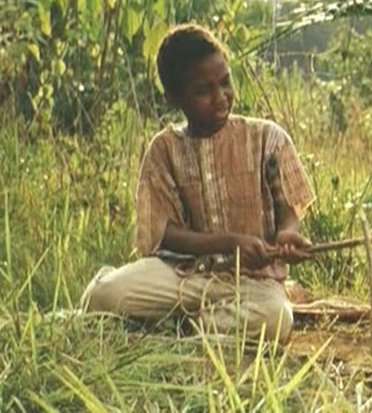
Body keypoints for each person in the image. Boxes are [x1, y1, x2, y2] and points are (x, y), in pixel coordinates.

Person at [80, 23, 315, 343]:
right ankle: (200, 324)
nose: (220, 97)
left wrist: (287, 234)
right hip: (182, 275)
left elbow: (287, 208)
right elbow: (164, 233)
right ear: (173, 98)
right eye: (203, 90)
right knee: (102, 296)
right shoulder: (164, 149)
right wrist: (227, 243)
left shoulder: (267, 138)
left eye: (225, 82)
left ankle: (180, 328)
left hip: (253, 283)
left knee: (275, 318)